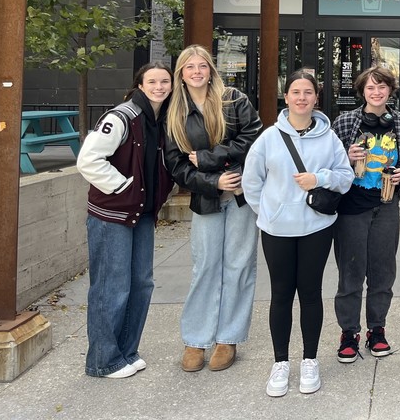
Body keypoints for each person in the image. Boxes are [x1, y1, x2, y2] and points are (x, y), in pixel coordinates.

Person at [242, 70, 354, 398]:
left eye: (308, 92)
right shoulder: (268, 138)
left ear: (316, 98)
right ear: (286, 96)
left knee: (310, 293)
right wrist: (269, 213)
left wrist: (318, 179)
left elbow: (345, 177)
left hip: (316, 228)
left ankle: (309, 360)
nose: (302, 97)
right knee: (280, 295)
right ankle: (280, 363)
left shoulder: (329, 137)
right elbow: (252, 182)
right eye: (295, 92)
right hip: (277, 230)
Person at [165, 45, 263, 373]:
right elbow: (176, 165)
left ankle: (228, 337)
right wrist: (213, 182)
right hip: (207, 198)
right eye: (189, 66)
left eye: (202, 66)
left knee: (238, 266)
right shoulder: (174, 111)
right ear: (181, 72)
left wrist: (211, 159)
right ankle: (196, 337)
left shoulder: (233, 100)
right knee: (205, 266)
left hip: (239, 196)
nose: (196, 71)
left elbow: (252, 135)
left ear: (211, 69)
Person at [77, 62, 174, 378]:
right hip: (113, 215)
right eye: (153, 81)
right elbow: (88, 159)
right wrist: (123, 188)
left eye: (165, 81)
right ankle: (103, 361)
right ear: (141, 85)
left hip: (142, 215)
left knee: (141, 284)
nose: (159, 86)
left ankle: (126, 352)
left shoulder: (160, 120)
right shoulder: (121, 117)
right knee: (111, 287)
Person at [331, 66, 400, 362]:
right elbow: (329, 161)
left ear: (390, 91)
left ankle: (376, 329)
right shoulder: (346, 121)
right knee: (351, 273)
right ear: (362, 91)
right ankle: (349, 333)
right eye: (370, 88)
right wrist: (345, 155)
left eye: (382, 87)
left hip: (387, 206)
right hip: (352, 207)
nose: (376, 92)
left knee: (383, 273)